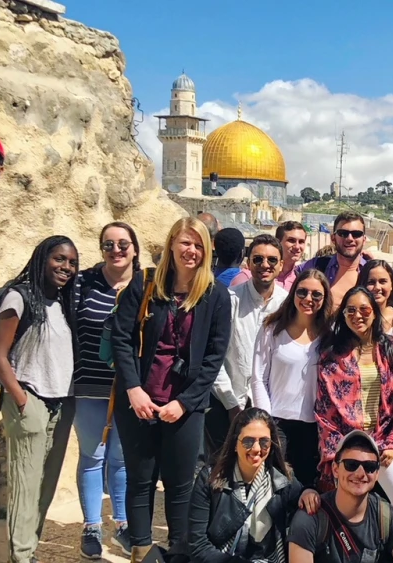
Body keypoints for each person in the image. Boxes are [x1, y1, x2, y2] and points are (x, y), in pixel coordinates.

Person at [108, 217, 232, 562]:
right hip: (141, 400)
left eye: (198, 244)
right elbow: (122, 338)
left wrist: (185, 402)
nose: (190, 251)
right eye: (185, 242)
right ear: (172, 244)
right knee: (141, 481)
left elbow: (214, 357)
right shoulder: (146, 283)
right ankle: (141, 552)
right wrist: (133, 389)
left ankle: (178, 555)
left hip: (183, 407)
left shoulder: (215, 295)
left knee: (180, 487)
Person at [0, 236, 80, 563]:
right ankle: (22, 556)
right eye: (59, 259)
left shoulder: (63, 302)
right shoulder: (19, 298)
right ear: (42, 258)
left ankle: (29, 550)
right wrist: (21, 399)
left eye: (71, 262)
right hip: (30, 399)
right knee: (25, 486)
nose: (65, 267)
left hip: (61, 402)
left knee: (45, 486)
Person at [316, 288, 393, 532]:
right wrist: (336, 455)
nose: (358, 315)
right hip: (347, 444)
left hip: (385, 442)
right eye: (350, 310)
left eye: (364, 309)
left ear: (374, 312)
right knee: (345, 516)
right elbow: (324, 412)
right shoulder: (331, 356)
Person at [73, 222, 141, 557]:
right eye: (108, 245)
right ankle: (91, 527)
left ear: (135, 248)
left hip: (130, 388)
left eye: (123, 244)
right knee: (91, 456)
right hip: (88, 384)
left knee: (120, 458)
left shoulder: (145, 285)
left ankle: (122, 524)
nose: (116, 251)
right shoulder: (83, 282)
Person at [189, 408, 321, 563]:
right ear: (234, 443)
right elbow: (197, 545)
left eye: (264, 442)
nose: (257, 449)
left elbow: (303, 495)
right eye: (248, 441)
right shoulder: (209, 479)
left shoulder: (283, 481)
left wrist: (309, 491)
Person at [207, 235, 289, 461]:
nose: (265, 265)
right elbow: (215, 355)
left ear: (281, 265)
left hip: (272, 408)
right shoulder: (229, 300)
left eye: (272, 260)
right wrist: (231, 404)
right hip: (227, 403)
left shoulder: (288, 304)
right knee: (221, 471)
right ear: (248, 262)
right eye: (258, 259)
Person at [251, 269, 333, 487]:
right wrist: (265, 423)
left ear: (324, 299)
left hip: (314, 427)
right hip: (277, 423)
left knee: (306, 490)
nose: (308, 299)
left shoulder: (329, 336)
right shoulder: (272, 329)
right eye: (302, 292)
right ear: (293, 293)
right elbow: (258, 377)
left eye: (316, 295)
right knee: (274, 488)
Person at [288, 430, 393, 563]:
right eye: (351, 465)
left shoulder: (386, 516)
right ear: (335, 469)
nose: (360, 473)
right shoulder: (311, 518)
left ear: (377, 474)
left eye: (369, 466)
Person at [296, 212, 370, 307]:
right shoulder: (317, 265)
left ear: (364, 239)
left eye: (356, 234)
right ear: (333, 238)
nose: (350, 238)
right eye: (343, 233)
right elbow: (286, 273)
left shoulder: (371, 273)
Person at [231, 221, 307, 290]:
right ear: (278, 242)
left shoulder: (300, 281)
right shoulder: (247, 277)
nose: (297, 247)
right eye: (291, 240)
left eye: (301, 242)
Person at [359, 259, 393, 333]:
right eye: (371, 282)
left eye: (382, 281)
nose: (377, 287)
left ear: (392, 285)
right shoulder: (354, 318)